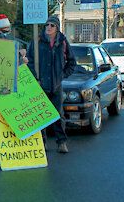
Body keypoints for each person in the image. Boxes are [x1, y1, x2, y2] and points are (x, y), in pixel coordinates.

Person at [0, 15, 28, 164]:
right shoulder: (5, 42)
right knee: (7, 119)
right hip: (4, 86)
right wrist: (21, 57)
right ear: (2, 28)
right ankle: (6, 150)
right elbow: (10, 61)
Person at [27, 16, 76, 153]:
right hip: (40, 84)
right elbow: (30, 61)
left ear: (57, 28)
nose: (49, 27)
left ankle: (61, 142)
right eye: (47, 25)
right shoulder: (37, 41)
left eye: (52, 25)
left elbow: (72, 63)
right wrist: (35, 78)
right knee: (41, 115)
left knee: (58, 115)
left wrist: (62, 76)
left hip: (56, 85)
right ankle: (42, 142)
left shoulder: (63, 42)